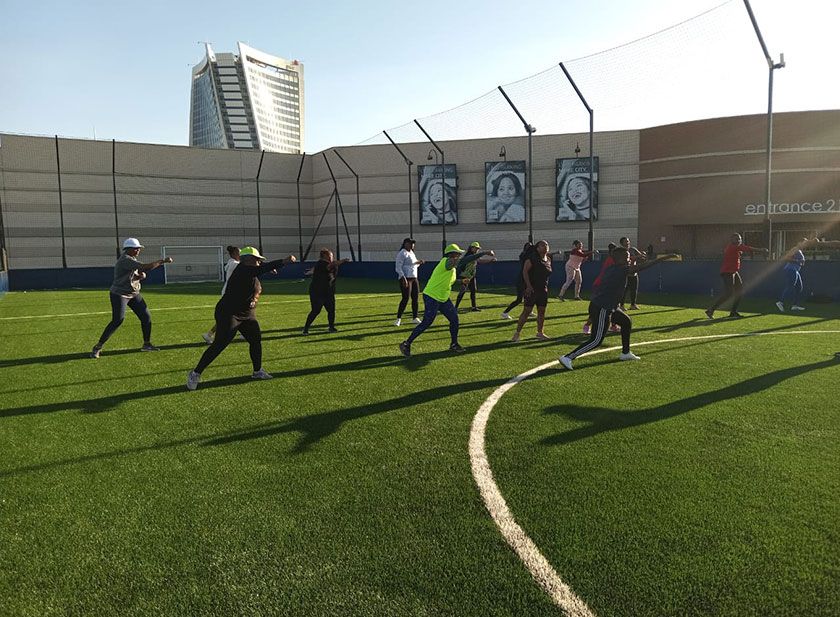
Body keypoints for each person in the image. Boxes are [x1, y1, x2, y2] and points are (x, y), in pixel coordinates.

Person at [186, 247, 296, 390]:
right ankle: (195, 373)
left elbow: (260, 270)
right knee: (220, 344)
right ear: (249, 260)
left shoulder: (250, 269)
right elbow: (259, 269)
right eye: (257, 260)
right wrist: (284, 261)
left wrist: (265, 268)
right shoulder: (242, 269)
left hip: (246, 313)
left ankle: (257, 371)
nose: (259, 262)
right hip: (229, 312)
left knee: (255, 339)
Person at [559, 249, 676, 370]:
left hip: (609, 306)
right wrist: (661, 258)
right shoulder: (621, 269)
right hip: (603, 307)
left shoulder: (614, 267)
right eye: (627, 257)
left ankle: (625, 353)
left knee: (626, 322)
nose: (629, 258)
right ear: (620, 258)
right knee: (596, 340)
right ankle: (568, 357)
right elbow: (640, 268)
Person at [398, 244, 494, 357]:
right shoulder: (447, 261)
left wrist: (461, 282)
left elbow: (447, 280)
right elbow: (465, 260)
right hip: (432, 296)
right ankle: (406, 344)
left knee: (454, 319)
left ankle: (454, 344)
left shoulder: (451, 268)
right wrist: (484, 253)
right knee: (427, 322)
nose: (459, 255)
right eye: (457, 253)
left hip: (443, 298)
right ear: (451, 254)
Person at [90, 237, 173, 358]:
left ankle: (147, 344)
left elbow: (134, 274)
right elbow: (145, 267)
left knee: (146, 316)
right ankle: (97, 347)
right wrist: (162, 261)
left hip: (133, 293)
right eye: (136, 248)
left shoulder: (132, 259)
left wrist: (139, 276)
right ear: (129, 249)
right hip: (120, 294)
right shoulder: (125, 260)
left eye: (139, 248)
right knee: (118, 320)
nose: (139, 250)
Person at [706, 233, 768, 319]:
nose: (739, 240)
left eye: (740, 239)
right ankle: (711, 310)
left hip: (734, 272)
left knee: (740, 291)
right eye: (737, 239)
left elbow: (743, 250)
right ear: (732, 240)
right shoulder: (733, 247)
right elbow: (748, 248)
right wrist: (761, 250)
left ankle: (733, 312)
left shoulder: (735, 247)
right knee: (729, 293)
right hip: (728, 272)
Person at [511, 240, 553, 342]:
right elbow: (525, 272)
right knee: (527, 311)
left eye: (546, 245)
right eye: (542, 245)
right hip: (532, 290)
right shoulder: (532, 258)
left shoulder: (548, 259)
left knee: (542, 312)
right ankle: (517, 333)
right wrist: (528, 286)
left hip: (543, 290)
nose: (545, 246)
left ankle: (540, 333)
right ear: (537, 248)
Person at [302, 248, 351, 334]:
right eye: (331, 255)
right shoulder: (321, 263)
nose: (332, 257)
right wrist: (343, 261)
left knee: (331, 310)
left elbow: (330, 266)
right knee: (316, 310)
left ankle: (331, 327)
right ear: (325, 256)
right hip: (318, 292)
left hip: (328, 291)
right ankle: (306, 328)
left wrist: (310, 272)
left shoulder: (326, 264)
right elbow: (330, 266)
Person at [203, 245, 240, 343]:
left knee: (239, 314)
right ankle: (209, 334)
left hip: (231, 293)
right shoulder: (234, 264)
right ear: (234, 254)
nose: (241, 255)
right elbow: (246, 266)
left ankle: (209, 334)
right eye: (239, 253)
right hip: (230, 294)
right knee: (228, 317)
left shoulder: (232, 262)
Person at [582, 242, 618, 335]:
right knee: (598, 308)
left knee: (613, 307)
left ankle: (613, 325)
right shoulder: (611, 260)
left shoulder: (613, 259)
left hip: (607, 287)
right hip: (601, 286)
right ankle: (587, 325)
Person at [455, 241, 496, 311]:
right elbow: (477, 258)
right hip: (465, 276)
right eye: (476, 248)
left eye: (478, 249)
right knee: (462, 291)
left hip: (471, 276)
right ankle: (455, 307)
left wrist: (490, 260)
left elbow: (480, 261)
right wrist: (486, 253)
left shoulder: (475, 256)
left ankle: (473, 307)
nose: (477, 250)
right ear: (471, 248)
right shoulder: (469, 256)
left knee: (473, 291)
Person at [394, 238, 424, 326]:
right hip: (406, 278)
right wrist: (403, 278)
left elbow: (413, 265)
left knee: (415, 298)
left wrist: (419, 262)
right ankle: (398, 319)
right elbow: (398, 267)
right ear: (405, 244)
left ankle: (415, 317)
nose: (412, 245)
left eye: (413, 244)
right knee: (405, 298)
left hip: (414, 278)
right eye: (410, 243)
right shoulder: (402, 253)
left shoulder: (411, 253)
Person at [501, 241, 534, 319]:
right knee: (519, 299)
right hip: (521, 280)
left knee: (529, 297)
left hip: (525, 279)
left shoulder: (527, 255)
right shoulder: (525, 255)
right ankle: (505, 313)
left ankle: (529, 311)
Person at [776, 238, 808, 312]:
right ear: (799, 243)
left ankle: (795, 305)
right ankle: (780, 302)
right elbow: (787, 257)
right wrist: (798, 261)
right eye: (803, 243)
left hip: (796, 270)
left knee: (799, 287)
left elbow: (801, 262)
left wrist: (802, 262)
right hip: (791, 269)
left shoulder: (800, 251)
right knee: (790, 286)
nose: (805, 244)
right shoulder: (795, 249)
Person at [619, 237, 646, 310]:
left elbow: (641, 256)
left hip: (634, 273)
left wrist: (643, 255)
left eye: (628, 241)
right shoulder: (621, 251)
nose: (628, 243)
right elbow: (629, 258)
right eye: (626, 241)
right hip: (626, 273)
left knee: (634, 289)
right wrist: (638, 256)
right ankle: (621, 305)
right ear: (622, 243)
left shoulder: (633, 249)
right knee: (624, 290)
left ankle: (633, 305)